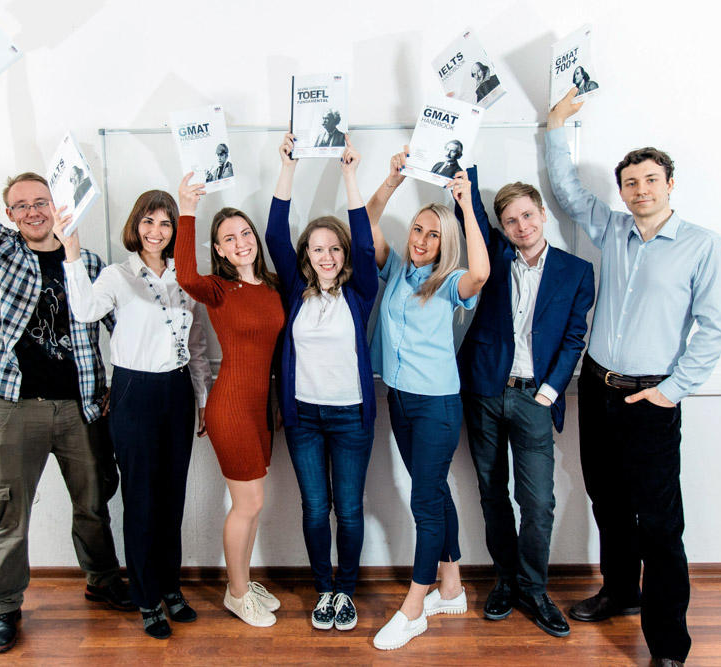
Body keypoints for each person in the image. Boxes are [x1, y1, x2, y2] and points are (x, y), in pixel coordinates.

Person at [0, 82, 132, 654]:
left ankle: (102, 580)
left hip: (83, 407)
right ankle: (4, 608)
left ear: (58, 205)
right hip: (15, 407)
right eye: (22, 205)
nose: (34, 211)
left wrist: (125, 391)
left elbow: (128, 331)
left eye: (42, 201)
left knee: (94, 504)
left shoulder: (90, 262)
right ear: (11, 214)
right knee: (8, 511)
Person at [547, 88, 721, 667]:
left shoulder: (702, 246)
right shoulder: (615, 231)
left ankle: (669, 645)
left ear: (669, 185)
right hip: (598, 386)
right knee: (606, 501)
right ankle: (620, 591)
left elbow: (715, 329)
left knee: (658, 524)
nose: (641, 190)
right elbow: (569, 192)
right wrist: (555, 125)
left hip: (651, 399)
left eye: (651, 180)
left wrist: (671, 392)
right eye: (631, 183)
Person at [51, 190, 212, 639]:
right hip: (133, 392)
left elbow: (197, 345)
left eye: (165, 223)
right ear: (136, 226)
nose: (156, 231)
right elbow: (85, 310)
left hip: (177, 391)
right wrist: (71, 250)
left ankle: (170, 587)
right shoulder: (116, 276)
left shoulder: (187, 278)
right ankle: (146, 598)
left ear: (175, 231)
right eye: (148, 221)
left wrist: (202, 398)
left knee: (172, 500)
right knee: (141, 501)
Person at [452, 167, 594, 637]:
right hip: (485, 393)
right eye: (511, 220)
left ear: (543, 214)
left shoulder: (577, 271)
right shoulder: (493, 253)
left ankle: (534, 588)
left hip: (536, 397)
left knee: (538, 503)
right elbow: (469, 211)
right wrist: (462, 166)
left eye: (528, 215)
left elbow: (574, 338)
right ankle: (505, 580)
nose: (521, 226)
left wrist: (549, 392)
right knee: (492, 493)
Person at [367, 147, 489, 650]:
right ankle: (452, 587)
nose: (420, 239)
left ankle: (414, 607)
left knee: (424, 501)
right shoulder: (397, 269)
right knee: (433, 490)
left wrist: (465, 206)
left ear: (445, 243)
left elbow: (481, 273)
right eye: (417, 229)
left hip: (436, 405)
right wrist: (392, 180)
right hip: (398, 399)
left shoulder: (451, 283)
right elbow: (367, 221)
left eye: (432, 234)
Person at [265, 133, 376, 631]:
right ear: (306, 255)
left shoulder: (360, 291)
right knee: (315, 509)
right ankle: (324, 591)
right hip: (304, 417)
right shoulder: (296, 290)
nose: (326, 256)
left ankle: (346, 591)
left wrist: (349, 174)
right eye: (317, 248)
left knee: (348, 511)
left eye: (334, 248)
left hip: (352, 417)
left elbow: (366, 241)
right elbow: (274, 234)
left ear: (343, 254)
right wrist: (287, 167)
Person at [173, 174, 286, 628]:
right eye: (228, 239)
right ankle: (237, 593)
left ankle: (243, 582)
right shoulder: (218, 290)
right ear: (218, 250)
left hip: (260, 409)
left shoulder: (273, 286)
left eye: (244, 233)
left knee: (254, 503)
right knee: (247, 504)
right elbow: (184, 274)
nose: (240, 243)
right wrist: (187, 208)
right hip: (232, 408)